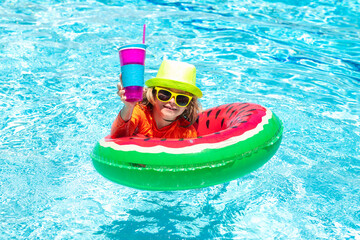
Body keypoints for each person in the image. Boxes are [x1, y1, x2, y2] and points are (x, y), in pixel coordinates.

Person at [110, 59, 202, 139]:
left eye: (181, 99)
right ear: (153, 94)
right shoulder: (139, 114)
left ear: (188, 105)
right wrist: (129, 107)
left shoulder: (186, 133)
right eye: (165, 94)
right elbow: (116, 138)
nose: (172, 101)